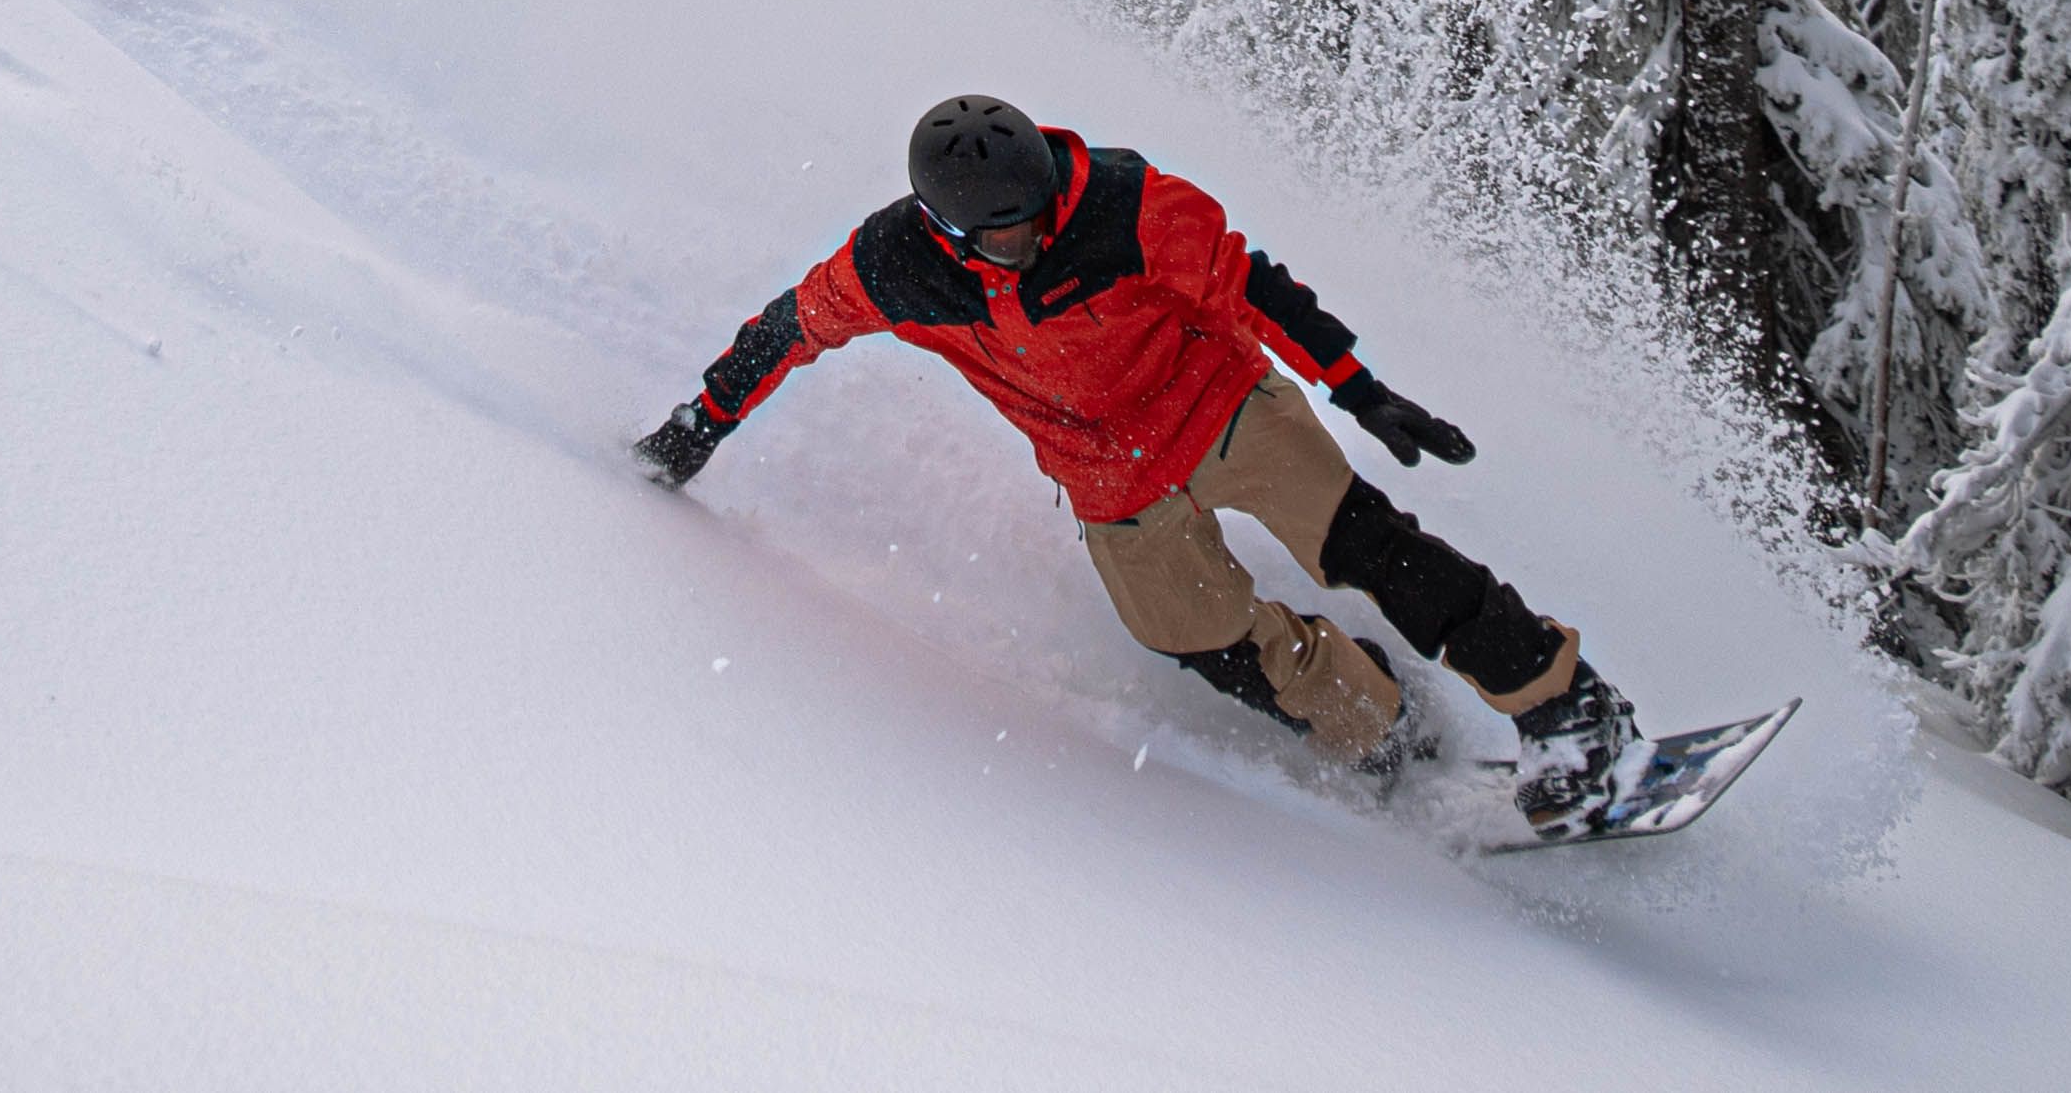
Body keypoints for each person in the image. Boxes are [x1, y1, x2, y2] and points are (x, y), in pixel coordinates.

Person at [635, 94, 1639, 822]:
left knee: (1365, 546)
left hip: (1218, 402)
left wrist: (1357, 387)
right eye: (1007, 234)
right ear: (948, 233)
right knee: (1193, 634)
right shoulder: (891, 267)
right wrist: (700, 423)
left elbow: (1250, 282)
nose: (1035, 237)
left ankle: (1568, 707)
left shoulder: (1118, 203)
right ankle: (1376, 722)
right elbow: (786, 330)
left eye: (1038, 213)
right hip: (1110, 473)